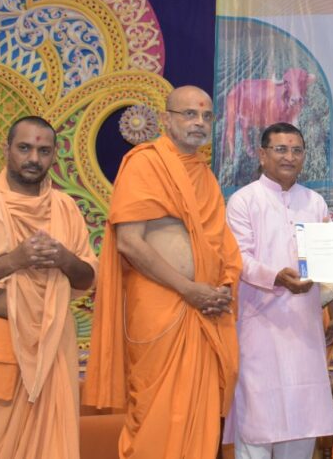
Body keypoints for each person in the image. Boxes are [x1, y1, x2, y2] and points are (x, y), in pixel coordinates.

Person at [85, 86, 242, 459]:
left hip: (204, 310)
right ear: (166, 119)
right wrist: (188, 289)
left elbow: (222, 245)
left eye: (206, 116)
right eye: (189, 114)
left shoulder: (205, 176)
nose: (199, 122)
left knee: (198, 417)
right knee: (154, 412)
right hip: (161, 308)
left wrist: (222, 288)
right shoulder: (145, 163)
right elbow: (129, 243)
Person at [0, 116, 97, 459]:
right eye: (24, 148)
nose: (33, 158)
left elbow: (87, 279)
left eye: (43, 150)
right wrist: (15, 259)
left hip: (53, 343)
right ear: (6, 149)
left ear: (54, 155)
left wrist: (63, 258)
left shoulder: (66, 208)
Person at [225, 122, 333, 458]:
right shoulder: (244, 201)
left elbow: (325, 263)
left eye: (296, 150)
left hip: (304, 327)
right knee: (257, 418)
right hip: (259, 327)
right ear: (262, 155)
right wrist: (276, 277)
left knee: (302, 419)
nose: (289, 157)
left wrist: (331, 304)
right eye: (281, 149)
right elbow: (238, 259)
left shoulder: (315, 202)